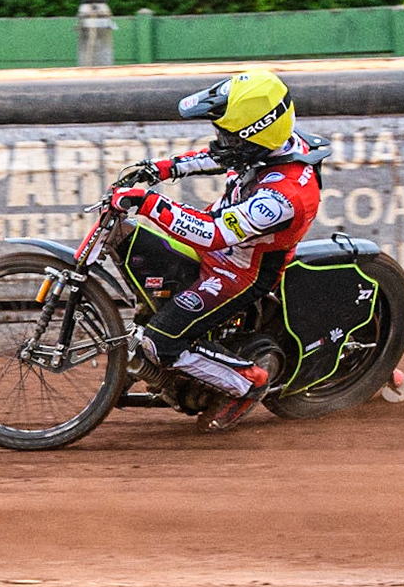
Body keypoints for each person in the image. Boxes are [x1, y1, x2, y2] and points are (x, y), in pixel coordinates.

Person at [108, 67, 326, 432]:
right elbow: (219, 156)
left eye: (230, 135)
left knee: (160, 343)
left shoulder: (282, 197)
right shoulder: (264, 147)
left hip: (240, 271)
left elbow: (213, 234)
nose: (221, 140)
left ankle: (248, 382)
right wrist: (158, 169)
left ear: (256, 135)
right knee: (141, 263)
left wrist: (148, 203)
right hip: (222, 247)